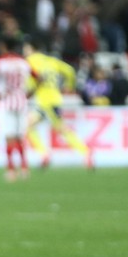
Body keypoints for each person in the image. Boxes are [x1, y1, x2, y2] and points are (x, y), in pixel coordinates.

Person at [22, 39, 93, 169]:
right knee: (27, 126)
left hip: (45, 101)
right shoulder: (51, 60)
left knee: (61, 129)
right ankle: (45, 154)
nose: (24, 51)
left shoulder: (29, 61)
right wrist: (69, 85)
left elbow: (30, 81)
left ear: (31, 49)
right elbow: (70, 70)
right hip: (51, 99)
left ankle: (85, 152)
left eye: (26, 48)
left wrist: (27, 91)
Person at [0, 37, 35, 182]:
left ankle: (11, 170)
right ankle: (24, 168)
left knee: (9, 136)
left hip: (5, 101)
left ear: (3, 46)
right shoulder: (24, 62)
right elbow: (38, 78)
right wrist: (30, 93)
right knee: (20, 136)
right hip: (21, 101)